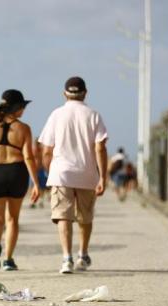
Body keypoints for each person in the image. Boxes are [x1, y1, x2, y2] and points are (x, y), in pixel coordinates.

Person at [38, 76, 108, 274]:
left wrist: (48, 171)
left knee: (63, 216)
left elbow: (46, 150)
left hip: (61, 173)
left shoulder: (56, 115)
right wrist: (102, 176)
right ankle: (82, 255)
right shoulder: (94, 115)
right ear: (85, 93)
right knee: (85, 216)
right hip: (87, 173)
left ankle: (66, 258)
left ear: (64, 94)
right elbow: (100, 147)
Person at [0, 89, 40, 272]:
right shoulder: (24, 128)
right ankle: (8, 260)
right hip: (16, 172)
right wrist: (36, 183)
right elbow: (29, 157)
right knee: (12, 219)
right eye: (23, 107)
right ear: (17, 108)